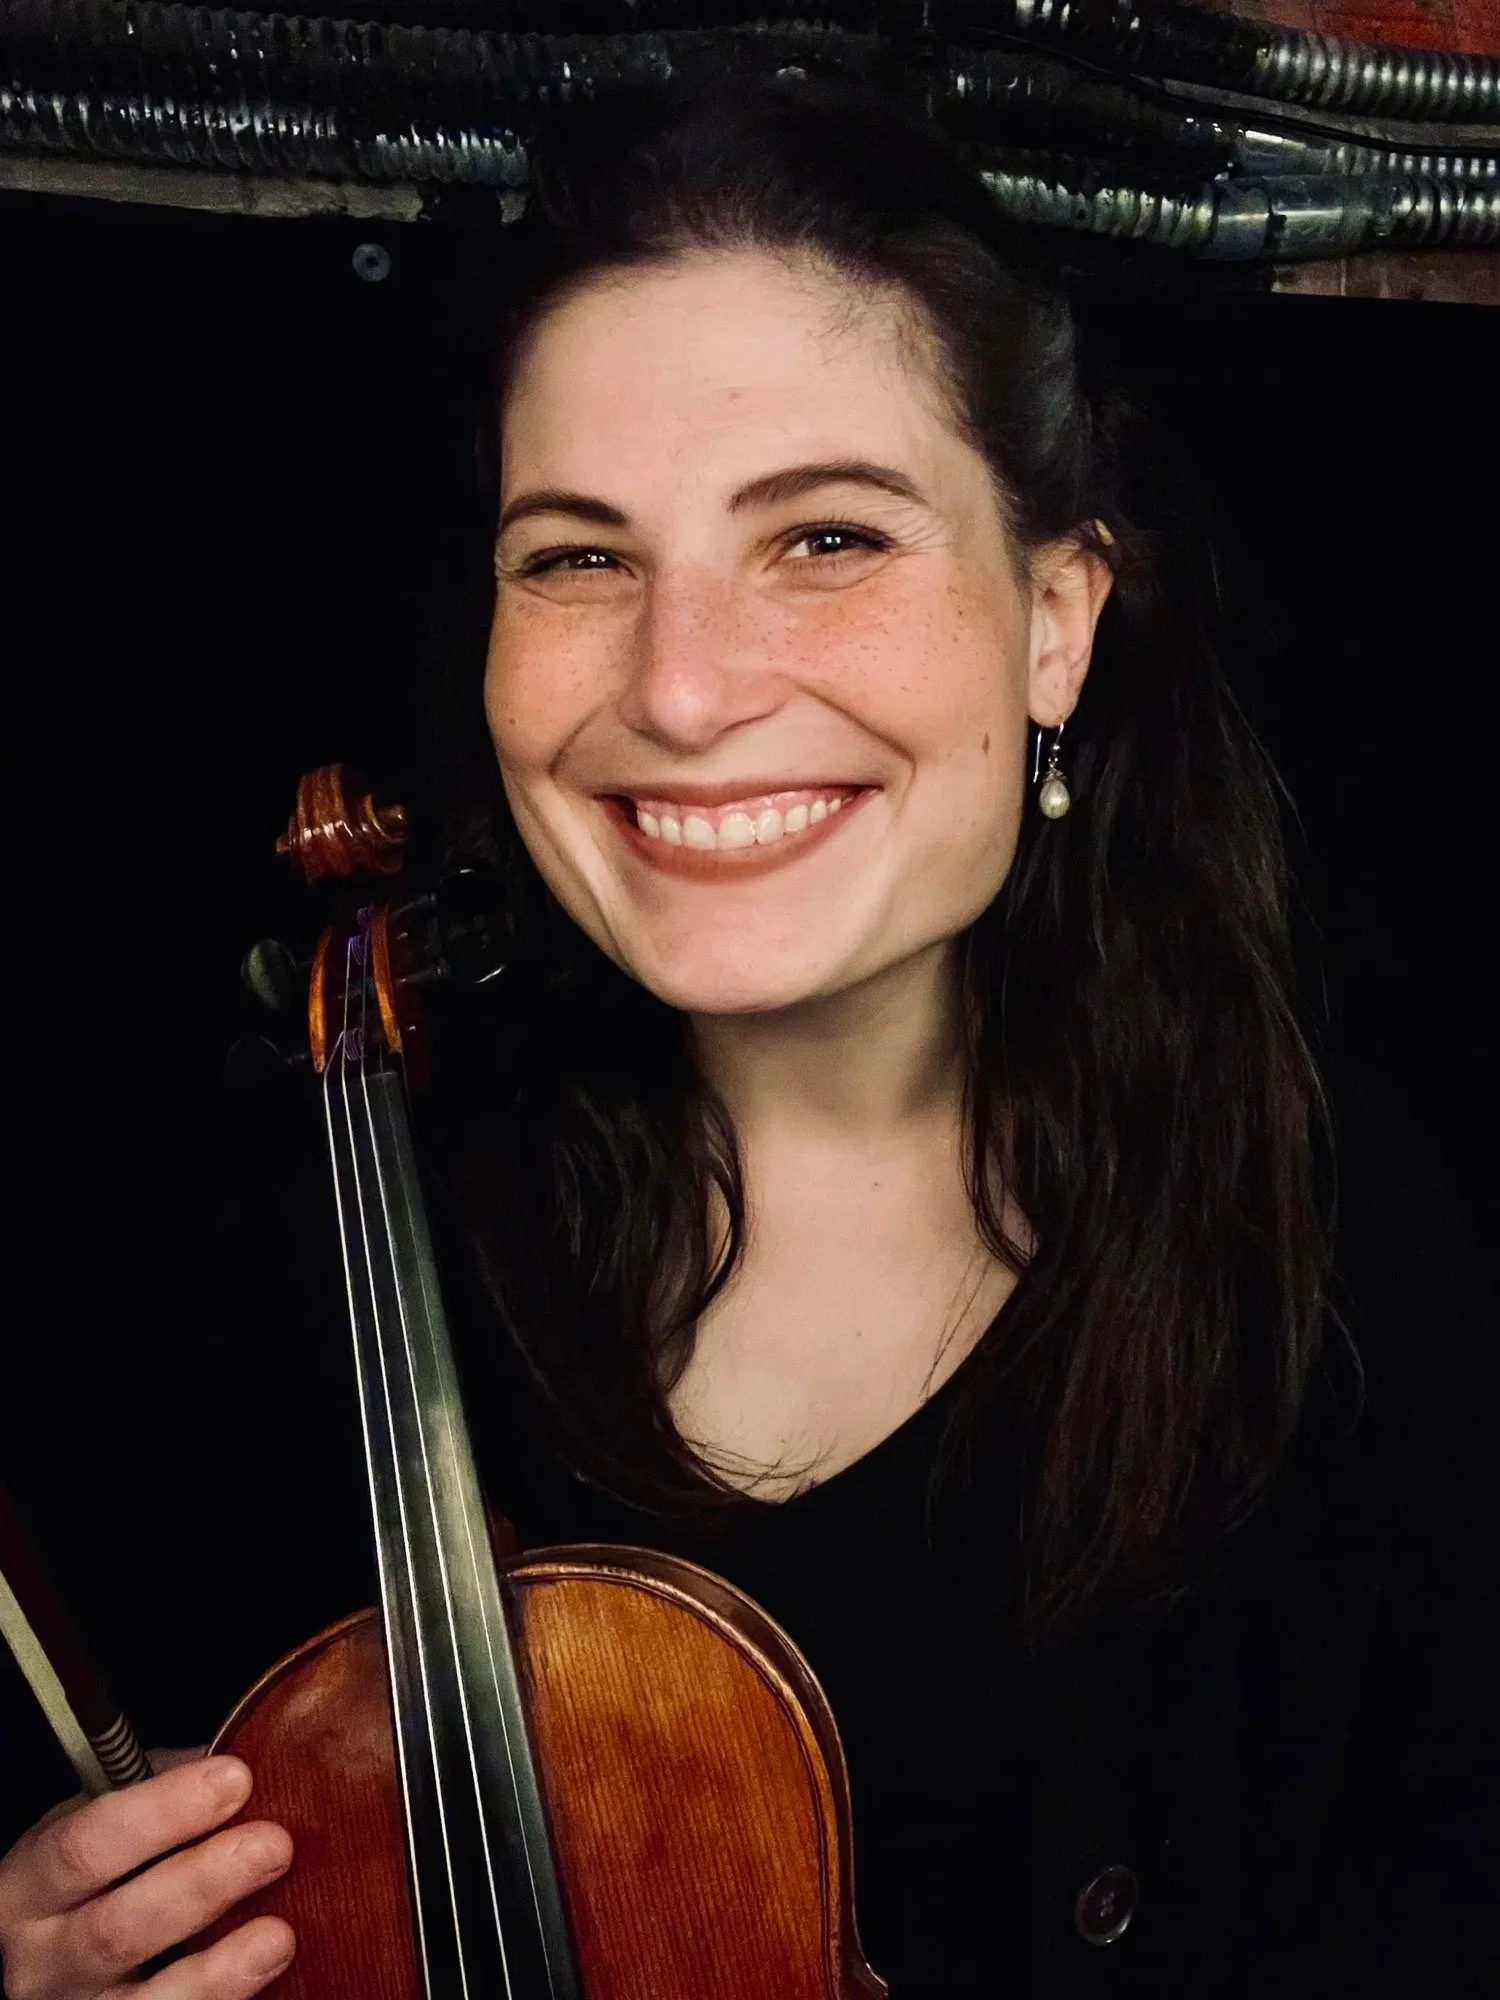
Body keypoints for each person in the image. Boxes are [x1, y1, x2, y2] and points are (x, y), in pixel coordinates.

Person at [1, 76, 1493, 2000]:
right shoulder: (270, 1270)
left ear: (1056, 620)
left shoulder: (1345, 1265)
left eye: (826, 538)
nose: (684, 691)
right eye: (579, 557)